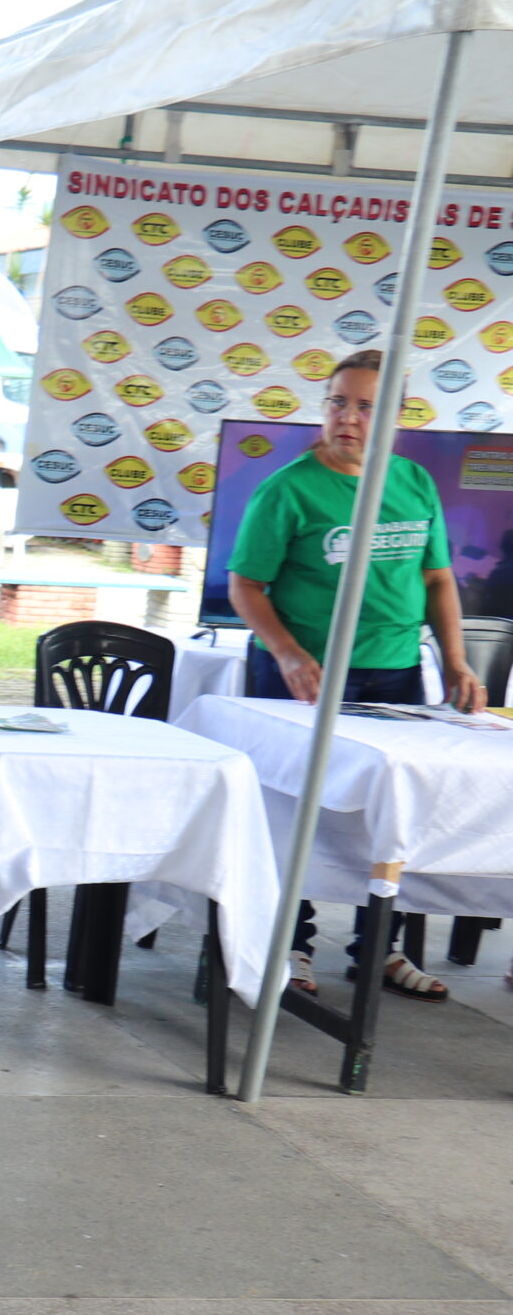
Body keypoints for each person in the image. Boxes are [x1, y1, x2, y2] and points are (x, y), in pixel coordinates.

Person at [228, 347, 482, 1003]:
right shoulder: (288, 488)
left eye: (366, 406)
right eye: (338, 402)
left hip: (397, 674)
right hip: (305, 679)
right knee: (297, 815)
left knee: (393, 816)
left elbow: (437, 579)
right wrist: (287, 652)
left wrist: (456, 660)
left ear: (396, 415)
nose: (347, 417)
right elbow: (245, 585)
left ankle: (379, 948)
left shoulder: (414, 482)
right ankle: (291, 943)